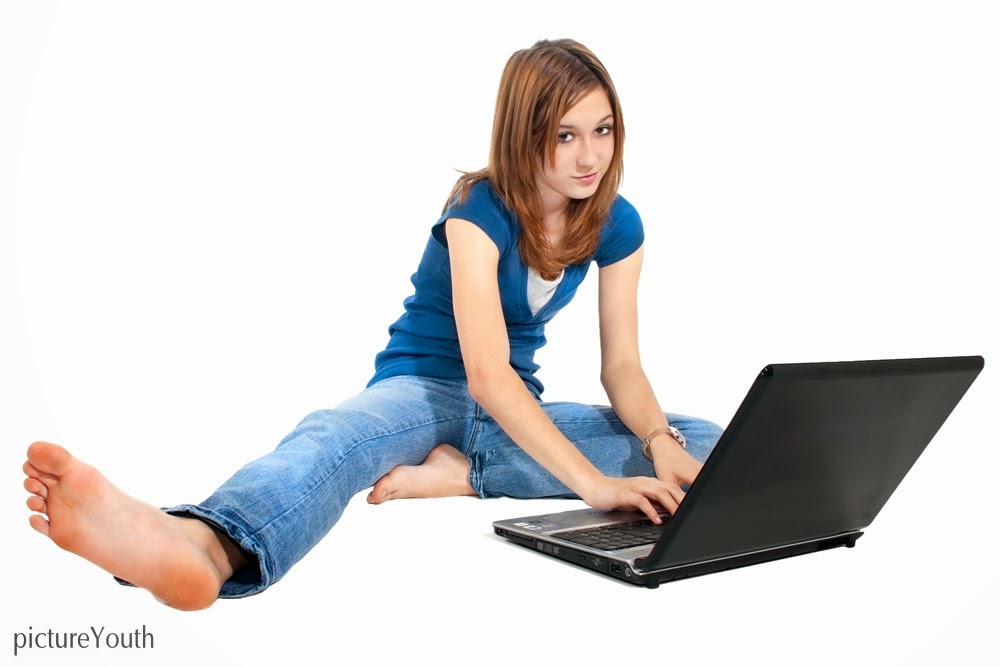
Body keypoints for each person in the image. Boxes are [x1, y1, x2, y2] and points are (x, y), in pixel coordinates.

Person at [22, 38, 723, 611]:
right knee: (336, 437)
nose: (590, 156)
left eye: (602, 130)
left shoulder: (615, 221)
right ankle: (208, 541)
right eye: (565, 135)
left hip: (514, 410)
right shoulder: (478, 209)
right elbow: (484, 374)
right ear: (525, 135)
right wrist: (594, 485)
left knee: (704, 444)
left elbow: (622, 365)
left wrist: (657, 441)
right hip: (426, 389)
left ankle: (465, 473)